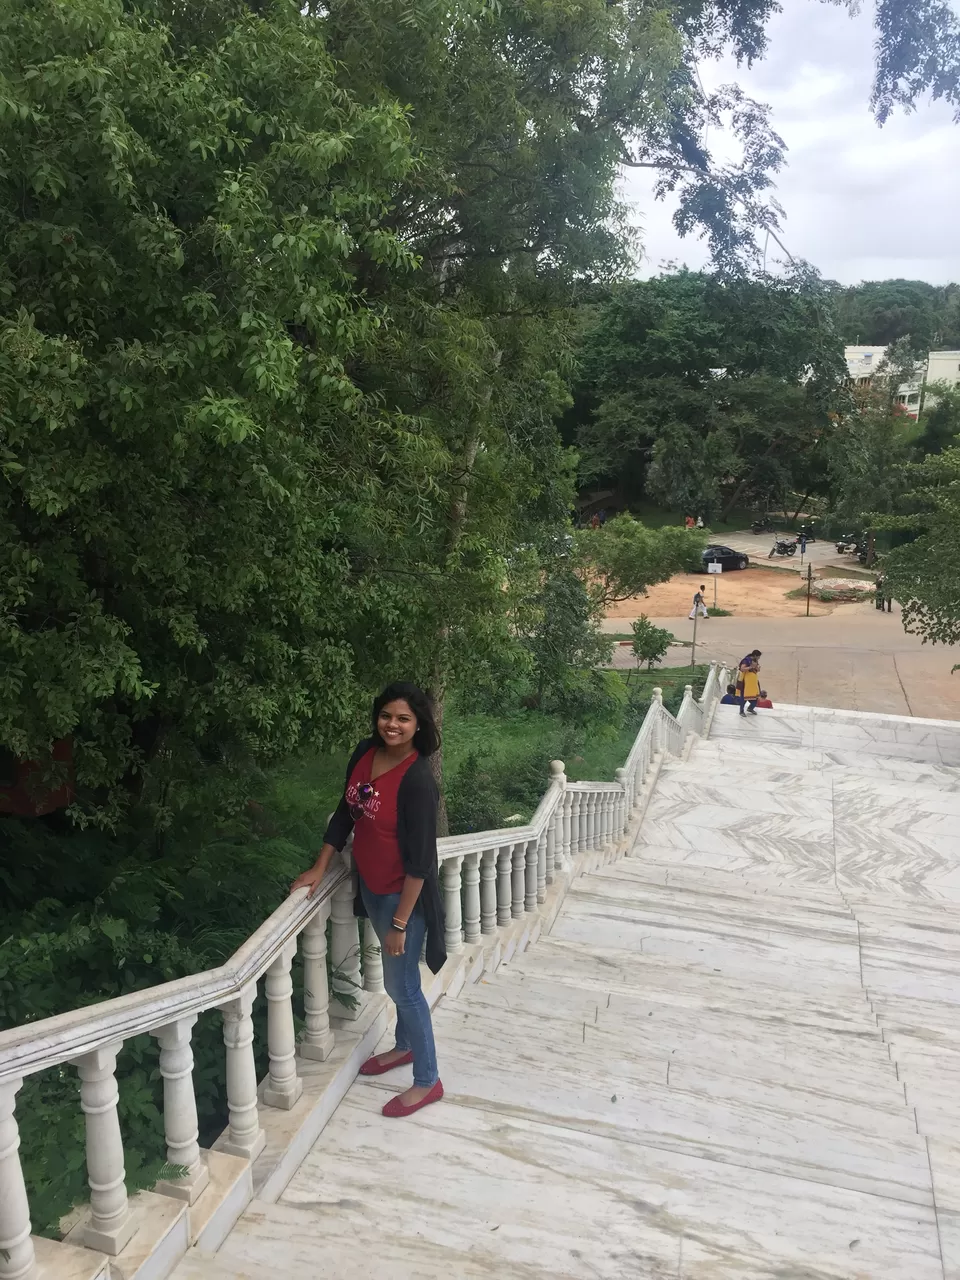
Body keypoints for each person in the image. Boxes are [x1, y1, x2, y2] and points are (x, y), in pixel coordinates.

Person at [290, 682, 445, 1119]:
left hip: (402, 897)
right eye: (386, 715)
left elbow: (420, 863)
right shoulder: (365, 753)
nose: (392, 725)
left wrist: (399, 923)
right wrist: (320, 867)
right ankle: (405, 1046)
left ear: (419, 725)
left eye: (403, 719)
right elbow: (347, 813)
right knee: (398, 981)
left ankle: (428, 1079)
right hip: (372, 887)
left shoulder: (417, 782)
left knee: (403, 987)